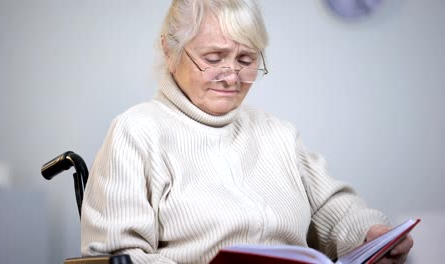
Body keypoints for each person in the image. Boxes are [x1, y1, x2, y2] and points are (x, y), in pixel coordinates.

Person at [81, 0, 414, 263]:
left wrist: (369, 232)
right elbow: (117, 256)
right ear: (170, 51)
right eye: (214, 58)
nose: (231, 77)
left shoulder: (277, 132)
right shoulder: (138, 131)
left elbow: (331, 207)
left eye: (245, 59)